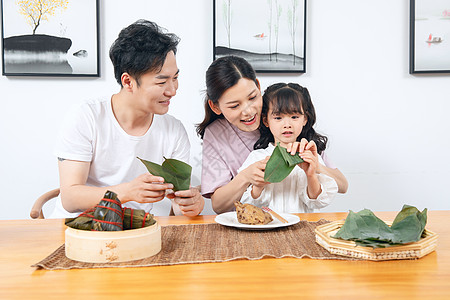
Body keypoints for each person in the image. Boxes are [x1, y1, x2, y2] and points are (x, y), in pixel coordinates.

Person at [51, 20, 204, 218]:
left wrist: (191, 204)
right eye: (162, 81)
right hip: (78, 229)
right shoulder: (86, 117)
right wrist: (127, 192)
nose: (173, 90)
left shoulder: (174, 130)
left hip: (135, 231)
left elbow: (176, 204)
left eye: (175, 78)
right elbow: (70, 198)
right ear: (128, 81)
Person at [196, 56, 347, 214]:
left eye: (253, 97)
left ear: (258, 86)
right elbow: (219, 206)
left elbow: (341, 186)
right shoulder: (217, 134)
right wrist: (246, 177)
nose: (248, 112)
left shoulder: (287, 121)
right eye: (234, 106)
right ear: (215, 107)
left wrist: (315, 169)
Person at [238, 83, 338, 213]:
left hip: (301, 228)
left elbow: (317, 201)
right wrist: (258, 185)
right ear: (266, 120)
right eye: (278, 117)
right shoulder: (257, 157)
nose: (287, 124)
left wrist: (311, 175)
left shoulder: (310, 156)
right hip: (267, 228)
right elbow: (247, 203)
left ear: (305, 119)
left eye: (294, 117)